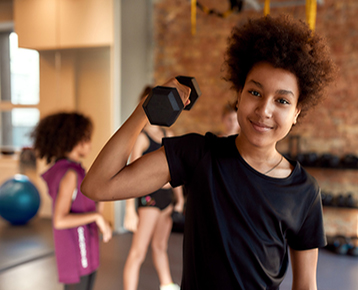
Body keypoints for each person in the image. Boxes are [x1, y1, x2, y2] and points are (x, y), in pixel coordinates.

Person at [82, 14, 335, 289]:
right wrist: (145, 109)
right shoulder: (199, 154)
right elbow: (98, 185)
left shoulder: (305, 192)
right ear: (238, 95)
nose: (264, 111)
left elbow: (306, 285)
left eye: (282, 100)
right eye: (255, 93)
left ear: (297, 112)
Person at [31, 112, 112, 290]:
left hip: (87, 246)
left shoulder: (77, 170)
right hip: (75, 251)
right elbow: (60, 220)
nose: (90, 144)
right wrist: (96, 218)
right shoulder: (69, 174)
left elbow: (89, 204)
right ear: (76, 140)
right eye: (88, 138)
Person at [123, 86, 184, 290]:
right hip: (149, 198)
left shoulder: (169, 134)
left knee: (160, 246)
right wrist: (130, 211)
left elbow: (175, 170)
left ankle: (167, 285)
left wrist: (180, 198)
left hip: (167, 197)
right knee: (138, 252)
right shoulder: (141, 138)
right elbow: (130, 176)